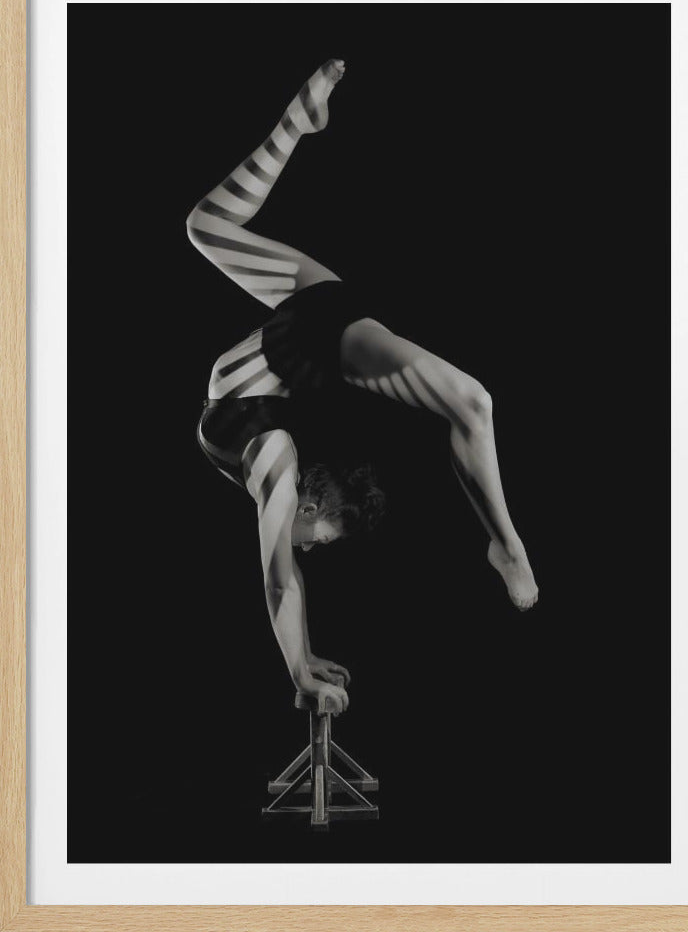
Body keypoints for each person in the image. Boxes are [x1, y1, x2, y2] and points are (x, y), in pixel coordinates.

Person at [188, 59, 539, 716]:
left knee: (202, 228)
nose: (310, 552)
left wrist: (299, 667)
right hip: (306, 330)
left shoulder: (275, 467)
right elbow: (284, 574)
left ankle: (506, 545)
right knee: (470, 403)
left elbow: (277, 578)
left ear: (313, 511)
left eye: (319, 543)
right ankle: (505, 542)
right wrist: (299, 655)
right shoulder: (273, 461)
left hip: (305, 320)